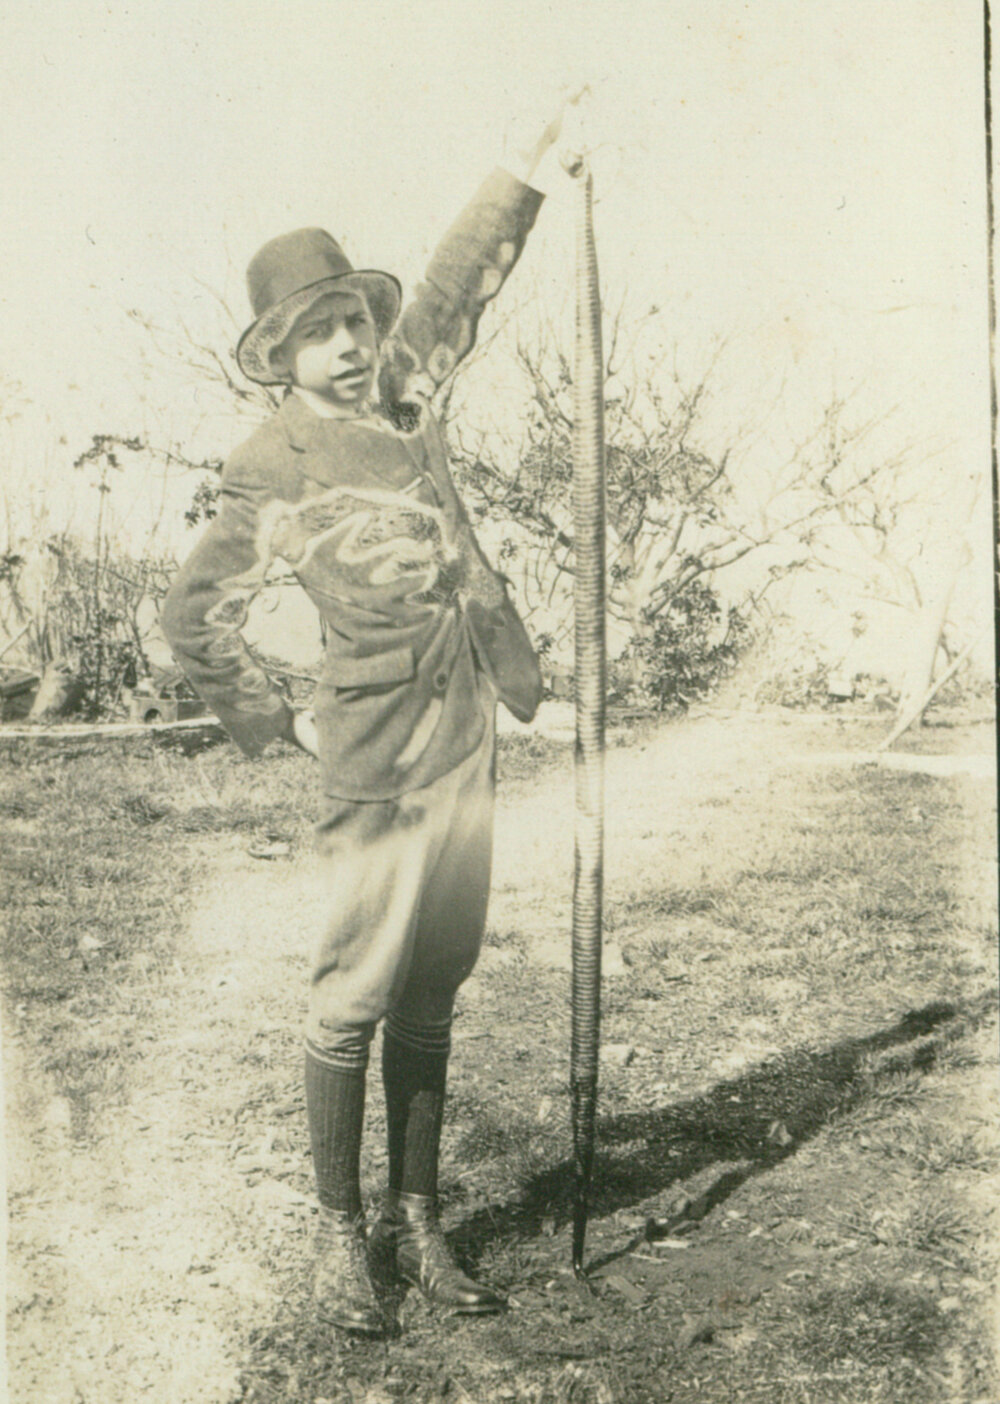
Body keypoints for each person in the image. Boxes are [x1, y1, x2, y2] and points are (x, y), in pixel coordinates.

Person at [161, 99, 578, 1336]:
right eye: (316, 334)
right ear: (277, 358)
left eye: (353, 320)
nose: (346, 346)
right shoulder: (271, 464)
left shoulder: (404, 398)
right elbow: (194, 617)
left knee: (435, 985)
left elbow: (457, 283)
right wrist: (279, 720)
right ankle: (342, 1237)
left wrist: (523, 164)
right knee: (354, 992)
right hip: (373, 760)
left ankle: (420, 1222)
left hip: (466, 737)